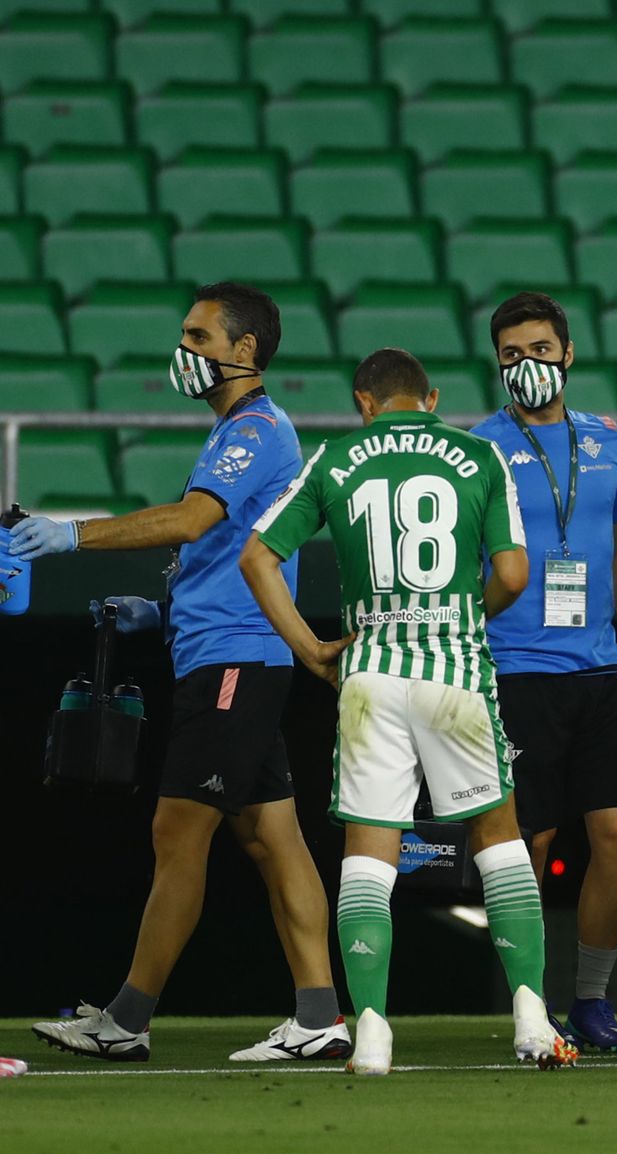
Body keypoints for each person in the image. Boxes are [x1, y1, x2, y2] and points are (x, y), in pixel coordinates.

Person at [16, 283, 347, 1064]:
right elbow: (219, 553)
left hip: (235, 662)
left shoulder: (258, 429)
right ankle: (319, 1016)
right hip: (229, 651)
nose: (186, 351)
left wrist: (72, 534)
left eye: (200, 337)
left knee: (178, 830)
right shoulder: (236, 430)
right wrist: (162, 612)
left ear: (245, 352)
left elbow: (194, 520)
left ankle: (127, 1020)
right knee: (275, 839)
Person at [239, 346, 575, 1075]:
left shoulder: (335, 458)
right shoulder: (479, 454)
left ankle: (372, 1029)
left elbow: (257, 557)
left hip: (369, 673)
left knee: (370, 852)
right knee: (498, 837)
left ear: (364, 401)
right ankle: (529, 1014)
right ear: (431, 399)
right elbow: (514, 572)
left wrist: (310, 648)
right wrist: (462, 616)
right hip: (453, 671)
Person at [470, 292, 617, 1054]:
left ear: (569, 354)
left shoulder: (607, 442)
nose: (529, 366)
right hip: (517, 671)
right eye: (513, 354)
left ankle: (590, 999)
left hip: (601, 669)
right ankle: (531, 1002)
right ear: (498, 364)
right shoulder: (478, 448)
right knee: (527, 842)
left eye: (541, 350)